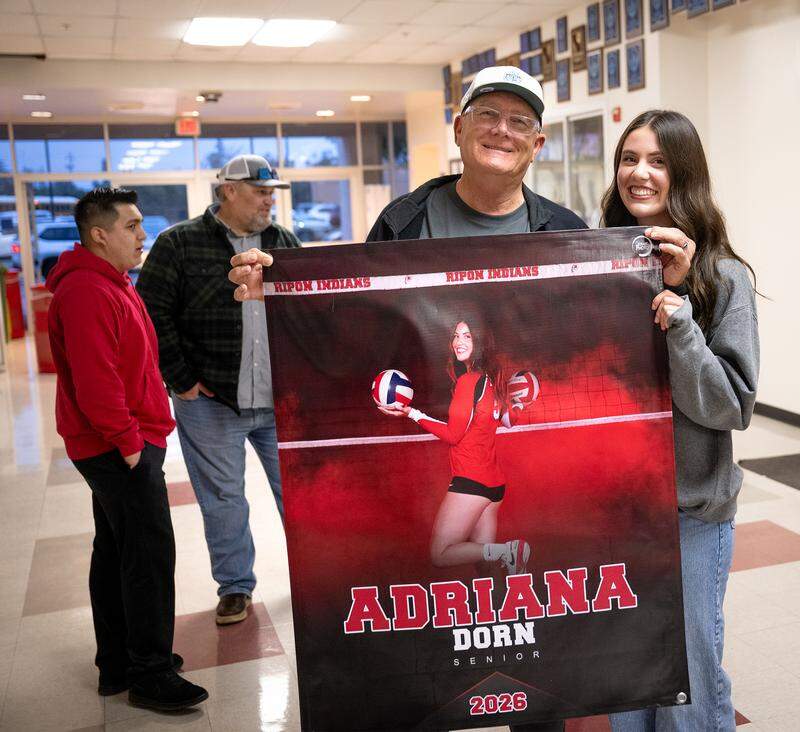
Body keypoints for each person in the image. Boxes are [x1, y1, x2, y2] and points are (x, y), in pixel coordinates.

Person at [229, 67, 584, 732]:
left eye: (518, 121)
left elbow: (584, 343)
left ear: (537, 144)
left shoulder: (563, 228)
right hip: (422, 472)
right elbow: (355, 324)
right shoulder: (404, 221)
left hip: (530, 467)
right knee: (431, 647)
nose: (501, 131)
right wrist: (276, 291)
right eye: (487, 115)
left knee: (536, 651)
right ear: (459, 128)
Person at [601, 110, 759, 731]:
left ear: (684, 175)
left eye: (659, 161)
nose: (640, 173)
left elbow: (731, 407)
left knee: (689, 680)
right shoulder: (597, 265)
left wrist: (683, 321)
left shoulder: (723, 278)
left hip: (690, 512)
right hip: (613, 512)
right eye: (630, 158)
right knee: (625, 675)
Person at [47, 187, 208, 711]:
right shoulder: (88, 291)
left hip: (121, 439)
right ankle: (150, 672)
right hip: (118, 444)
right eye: (132, 227)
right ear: (100, 234)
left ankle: (118, 662)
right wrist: (130, 445)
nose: (143, 236)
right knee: (148, 555)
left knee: (117, 549)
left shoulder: (108, 281)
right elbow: (97, 382)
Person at [137, 154, 300, 626]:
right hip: (211, 402)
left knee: (299, 493)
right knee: (223, 499)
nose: (270, 199)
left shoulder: (283, 242)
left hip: (276, 398)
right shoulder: (179, 245)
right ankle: (234, 587)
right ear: (228, 191)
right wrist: (181, 378)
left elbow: (301, 312)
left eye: (273, 192)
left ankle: (316, 577)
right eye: (260, 191)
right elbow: (152, 315)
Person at [377, 319, 531, 573]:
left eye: (468, 336)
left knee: (440, 553)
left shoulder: (469, 381)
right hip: (494, 487)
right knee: (485, 566)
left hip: (472, 481)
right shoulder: (491, 379)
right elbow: (507, 420)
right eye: (456, 336)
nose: (459, 342)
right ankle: (497, 594)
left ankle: (508, 551)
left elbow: (452, 436)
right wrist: (520, 404)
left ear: (479, 341)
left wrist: (411, 413)